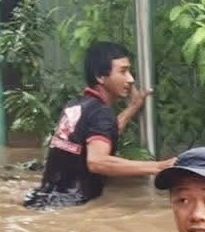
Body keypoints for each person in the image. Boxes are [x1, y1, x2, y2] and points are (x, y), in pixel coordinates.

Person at [23, 42, 176, 208]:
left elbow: (104, 134)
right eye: (123, 71)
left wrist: (132, 108)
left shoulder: (76, 105)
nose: (131, 79)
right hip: (71, 206)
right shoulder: (101, 113)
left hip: (41, 199)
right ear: (100, 76)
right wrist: (158, 167)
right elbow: (97, 161)